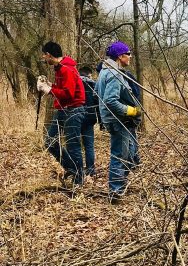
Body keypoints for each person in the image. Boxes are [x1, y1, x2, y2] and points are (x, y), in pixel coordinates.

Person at [96, 41, 141, 201]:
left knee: (129, 155)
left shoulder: (105, 71)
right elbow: (110, 101)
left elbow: (98, 93)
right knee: (120, 155)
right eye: (128, 54)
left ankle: (120, 185)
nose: (130, 57)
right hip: (118, 120)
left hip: (115, 120)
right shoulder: (114, 73)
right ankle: (115, 191)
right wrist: (131, 110)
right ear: (120, 56)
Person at [37, 42, 86, 187]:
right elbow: (62, 88)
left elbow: (69, 94)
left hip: (74, 110)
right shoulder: (59, 69)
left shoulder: (66, 69)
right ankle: (71, 168)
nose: (44, 57)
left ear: (50, 55)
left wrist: (48, 90)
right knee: (50, 141)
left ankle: (79, 180)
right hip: (64, 110)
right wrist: (50, 84)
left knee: (73, 145)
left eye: (44, 54)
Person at [79, 66, 98, 179]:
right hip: (89, 117)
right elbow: (98, 102)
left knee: (75, 145)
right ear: (89, 75)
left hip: (76, 116)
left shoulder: (75, 83)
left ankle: (78, 169)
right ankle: (90, 169)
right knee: (89, 146)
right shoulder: (93, 85)